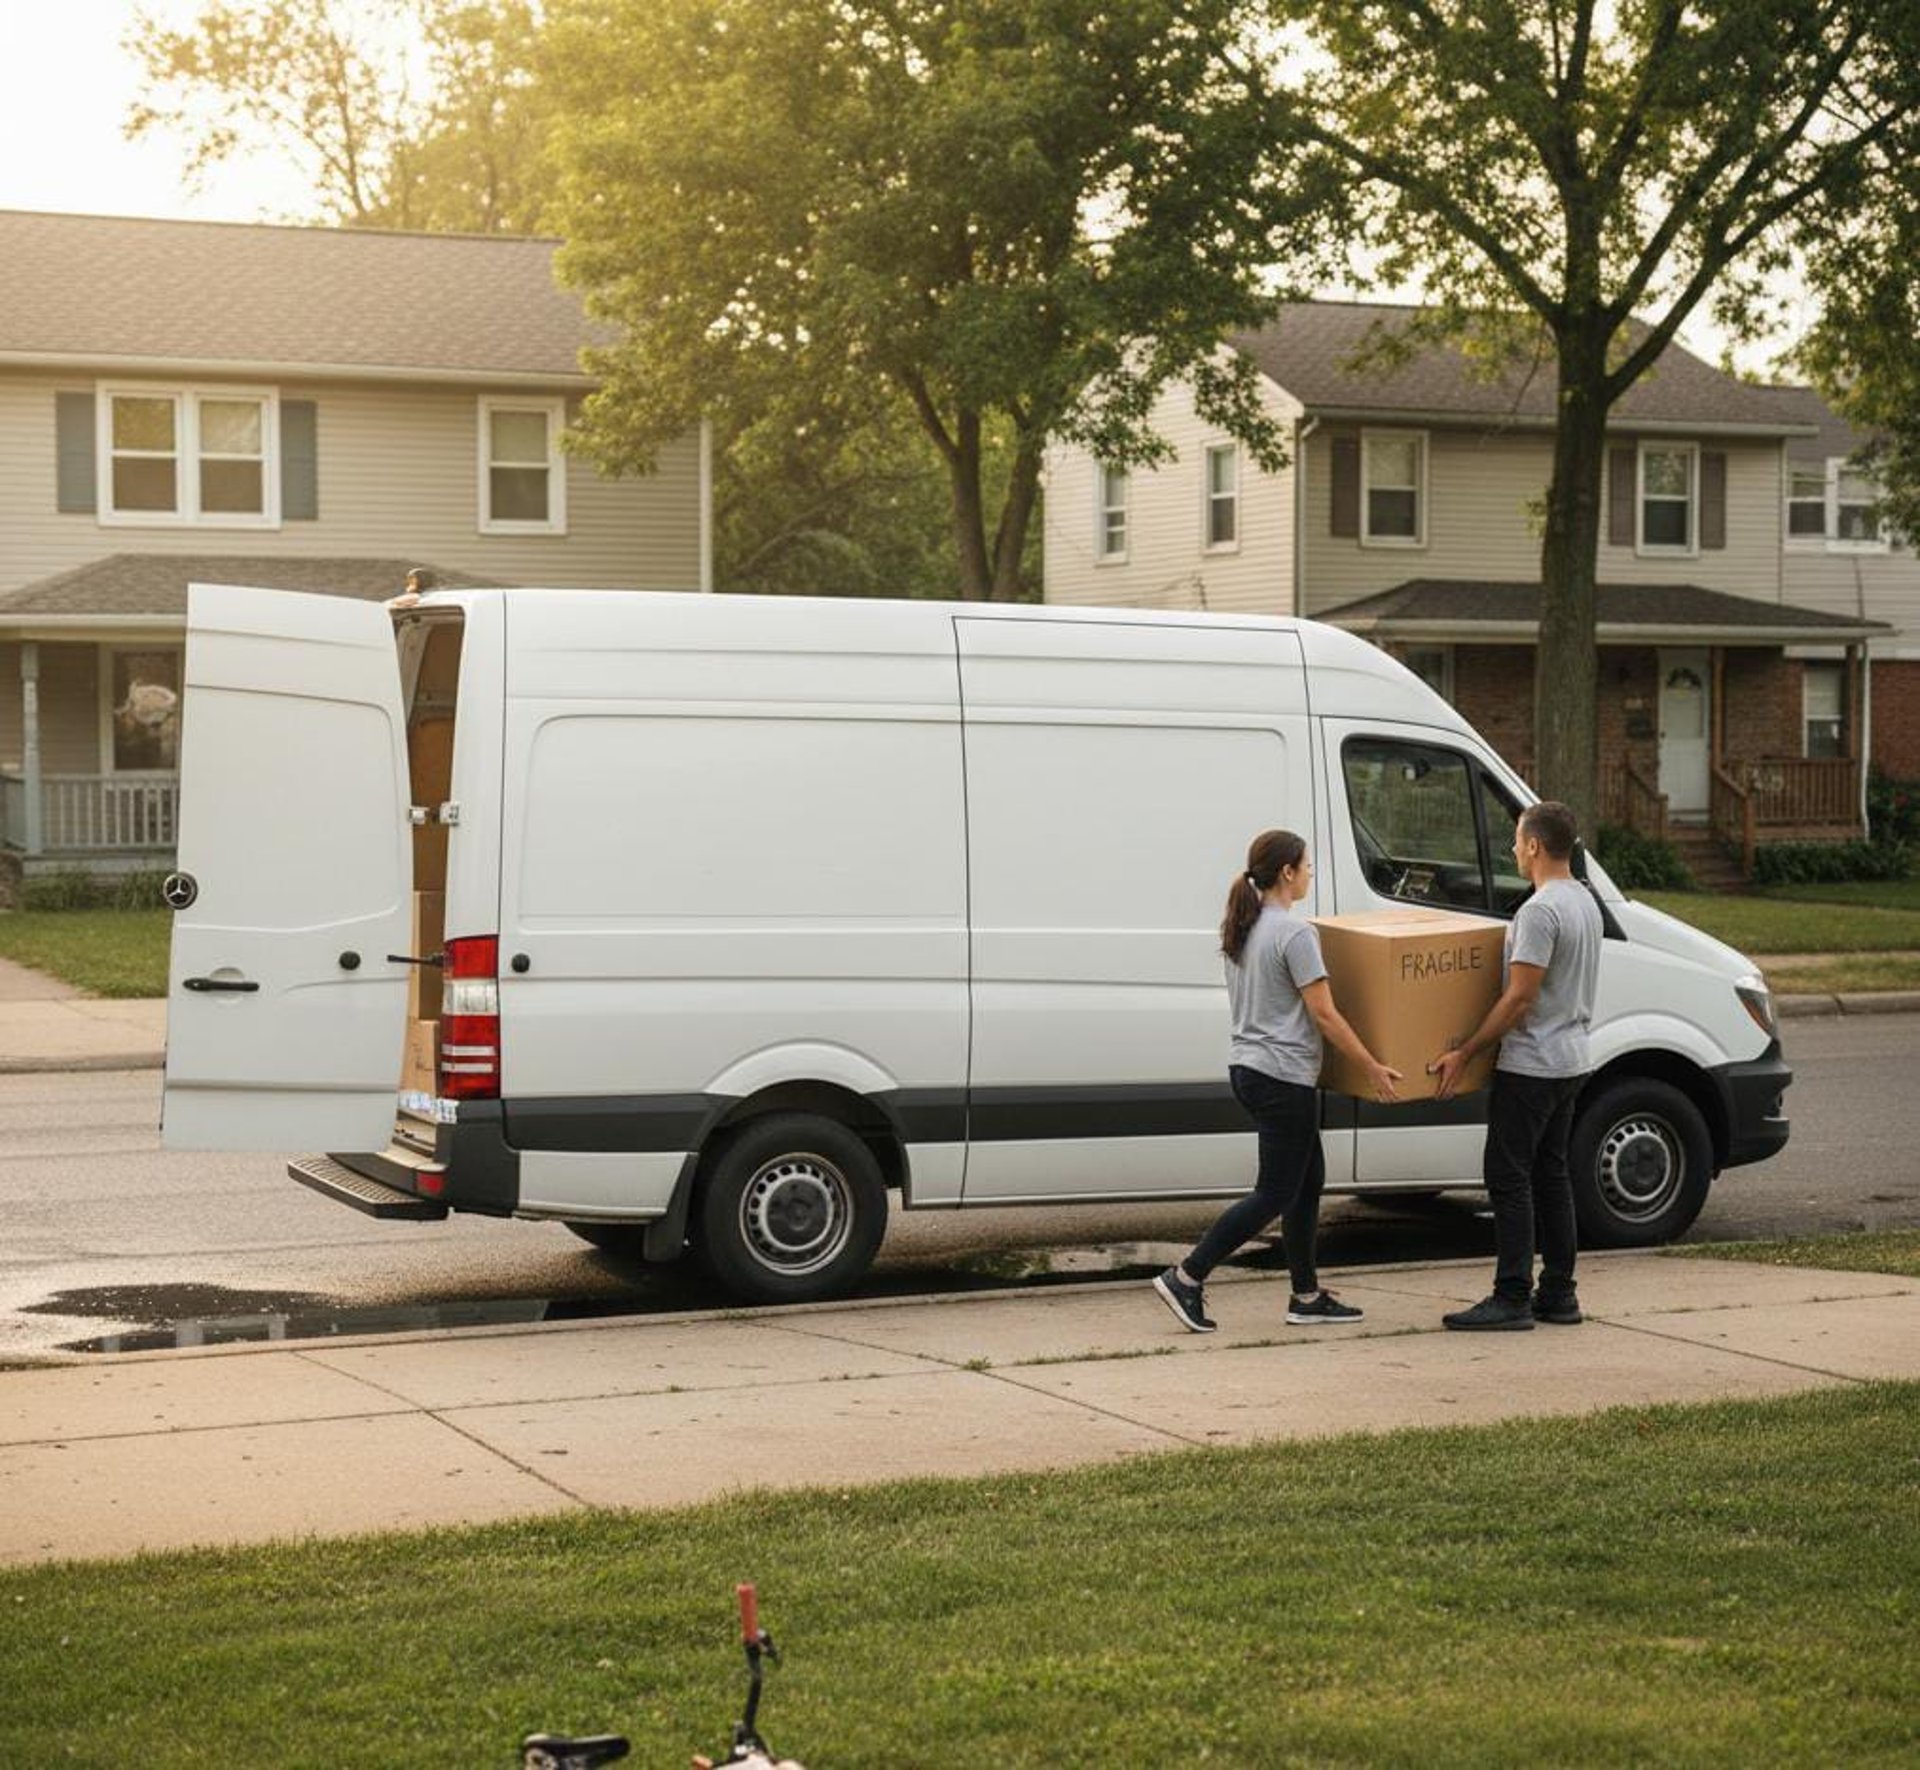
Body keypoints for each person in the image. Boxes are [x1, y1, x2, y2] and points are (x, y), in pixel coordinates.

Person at [1153, 830, 1402, 1335]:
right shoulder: (1293, 933)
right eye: (1306, 866)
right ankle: (1187, 1276)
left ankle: (1306, 1296)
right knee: (1273, 1192)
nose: (1311, 873)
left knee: (1306, 1183)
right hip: (1282, 1077)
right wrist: (1372, 1065)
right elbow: (1326, 1016)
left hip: (1250, 1068)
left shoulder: (1242, 930)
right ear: (1287, 872)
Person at [1428, 800, 1603, 1331]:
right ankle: (1559, 1293)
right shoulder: (1586, 902)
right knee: (1552, 1175)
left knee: (1508, 1177)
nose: (1512, 849)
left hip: (1532, 1063)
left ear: (1533, 846)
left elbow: (1519, 998)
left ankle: (1511, 1297)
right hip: (1572, 1059)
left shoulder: (1539, 911)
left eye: (1516, 841)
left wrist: (1466, 1050)